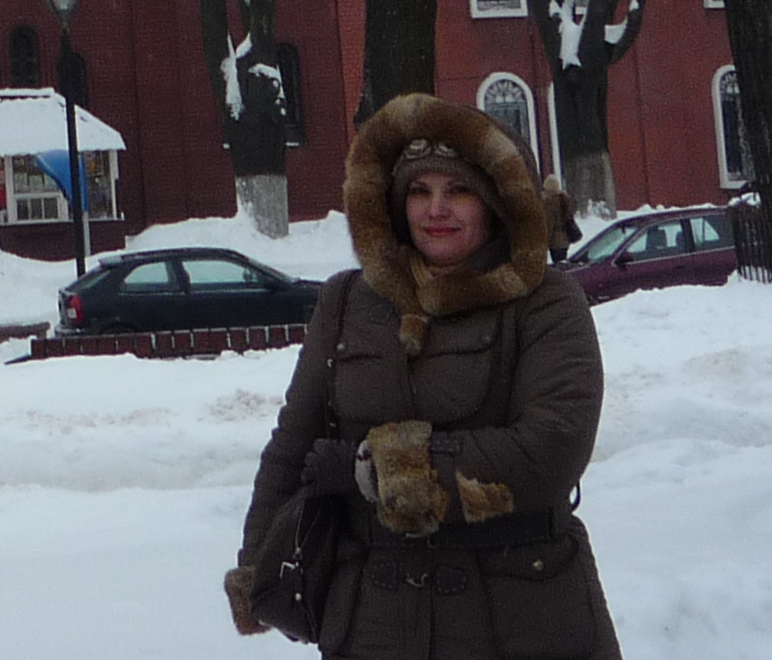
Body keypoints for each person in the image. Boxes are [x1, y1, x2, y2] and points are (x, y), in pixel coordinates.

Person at [228, 93, 622, 657]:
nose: (436, 210)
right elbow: (294, 444)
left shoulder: (544, 301)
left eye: (459, 190)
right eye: (419, 191)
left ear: (495, 202)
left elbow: (551, 449)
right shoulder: (346, 300)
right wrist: (257, 567)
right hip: (373, 618)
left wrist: (378, 472)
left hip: (519, 614)